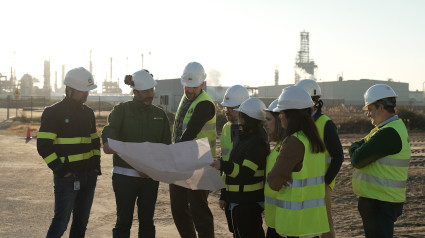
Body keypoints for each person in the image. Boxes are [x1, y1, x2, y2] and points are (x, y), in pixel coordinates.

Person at [102, 69, 171, 238]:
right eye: (146, 91)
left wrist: (154, 167)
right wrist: (109, 143)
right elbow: (109, 137)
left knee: (147, 222)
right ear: (134, 91)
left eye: (152, 90)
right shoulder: (121, 111)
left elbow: (166, 148)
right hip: (124, 176)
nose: (150, 94)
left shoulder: (160, 115)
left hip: (150, 178)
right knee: (124, 221)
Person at [37, 67, 101, 237]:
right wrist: (61, 170)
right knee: (61, 223)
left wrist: (96, 167)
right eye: (83, 91)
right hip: (67, 178)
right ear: (70, 89)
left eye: (87, 91)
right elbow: (43, 145)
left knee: (81, 224)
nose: (86, 95)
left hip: (88, 176)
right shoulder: (53, 113)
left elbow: (95, 141)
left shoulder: (88, 113)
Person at [350, 84, 411, 238]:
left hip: (380, 202)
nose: (368, 114)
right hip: (380, 200)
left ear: (381, 107)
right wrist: (356, 148)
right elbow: (356, 147)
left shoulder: (388, 133)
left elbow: (357, 158)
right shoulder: (386, 129)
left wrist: (355, 149)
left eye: (370, 109)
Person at [267, 86, 329, 237]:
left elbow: (273, 181)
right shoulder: (313, 139)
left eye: (282, 112)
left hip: (295, 225)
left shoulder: (294, 141)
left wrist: (281, 177)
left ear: (291, 115)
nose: (280, 116)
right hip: (312, 224)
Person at [170, 62, 217, 238]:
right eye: (187, 86)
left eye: (194, 87)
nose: (189, 90)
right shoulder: (186, 98)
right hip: (182, 161)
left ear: (202, 84)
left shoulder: (205, 104)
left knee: (199, 211)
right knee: (177, 206)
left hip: (200, 162)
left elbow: (190, 132)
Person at [211, 97, 269, 238]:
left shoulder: (257, 142)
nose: (239, 120)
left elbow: (245, 173)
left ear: (249, 119)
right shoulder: (243, 138)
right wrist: (225, 194)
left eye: (242, 116)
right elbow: (233, 164)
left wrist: (222, 165)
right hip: (238, 201)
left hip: (249, 204)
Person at [296, 79, 344, 238]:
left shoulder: (325, 124)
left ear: (313, 103)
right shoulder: (300, 125)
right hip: (303, 184)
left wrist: (326, 182)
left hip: (321, 185)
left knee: (324, 226)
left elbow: (338, 156)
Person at [219, 85, 250, 237]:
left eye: (232, 108)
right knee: (234, 231)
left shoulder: (254, 131)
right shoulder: (226, 129)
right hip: (230, 192)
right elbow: (225, 162)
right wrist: (223, 194)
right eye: (226, 107)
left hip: (247, 195)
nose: (227, 111)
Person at [263, 99, 285, 238]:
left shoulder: (287, 147)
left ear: (279, 121)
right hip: (274, 219)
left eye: (269, 120)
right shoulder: (279, 145)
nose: (266, 124)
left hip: (283, 220)